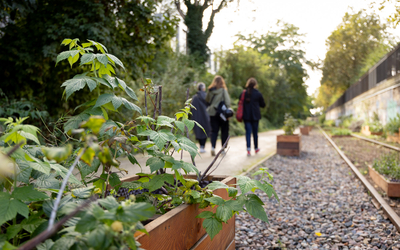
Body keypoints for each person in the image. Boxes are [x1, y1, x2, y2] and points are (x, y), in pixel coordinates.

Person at [239, 77, 266, 156]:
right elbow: (263, 105)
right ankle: (256, 148)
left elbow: (240, 101)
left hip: (246, 116)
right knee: (255, 133)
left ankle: (248, 149)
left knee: (248, 133)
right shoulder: (258, 93)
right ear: (255, 84)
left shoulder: (244, 93)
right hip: (255, 116)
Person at [205, 75, 231, 156]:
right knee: (224, 131)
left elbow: (207, 100)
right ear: (222, 82)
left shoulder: (210, 90)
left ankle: (213, 147)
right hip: (222, 114)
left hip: (213, 113)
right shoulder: (223, 91)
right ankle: (223, 149)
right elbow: (227, 102)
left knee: (214, 131)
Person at [191, 82, 211, 153]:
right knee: (205, 131)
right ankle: (203, 146)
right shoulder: (206, 96)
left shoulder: (194, 98)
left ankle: (201, 146)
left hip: (196, 118)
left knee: (198, 131)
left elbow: (191, 108)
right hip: (206, 116)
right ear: (203, 88)